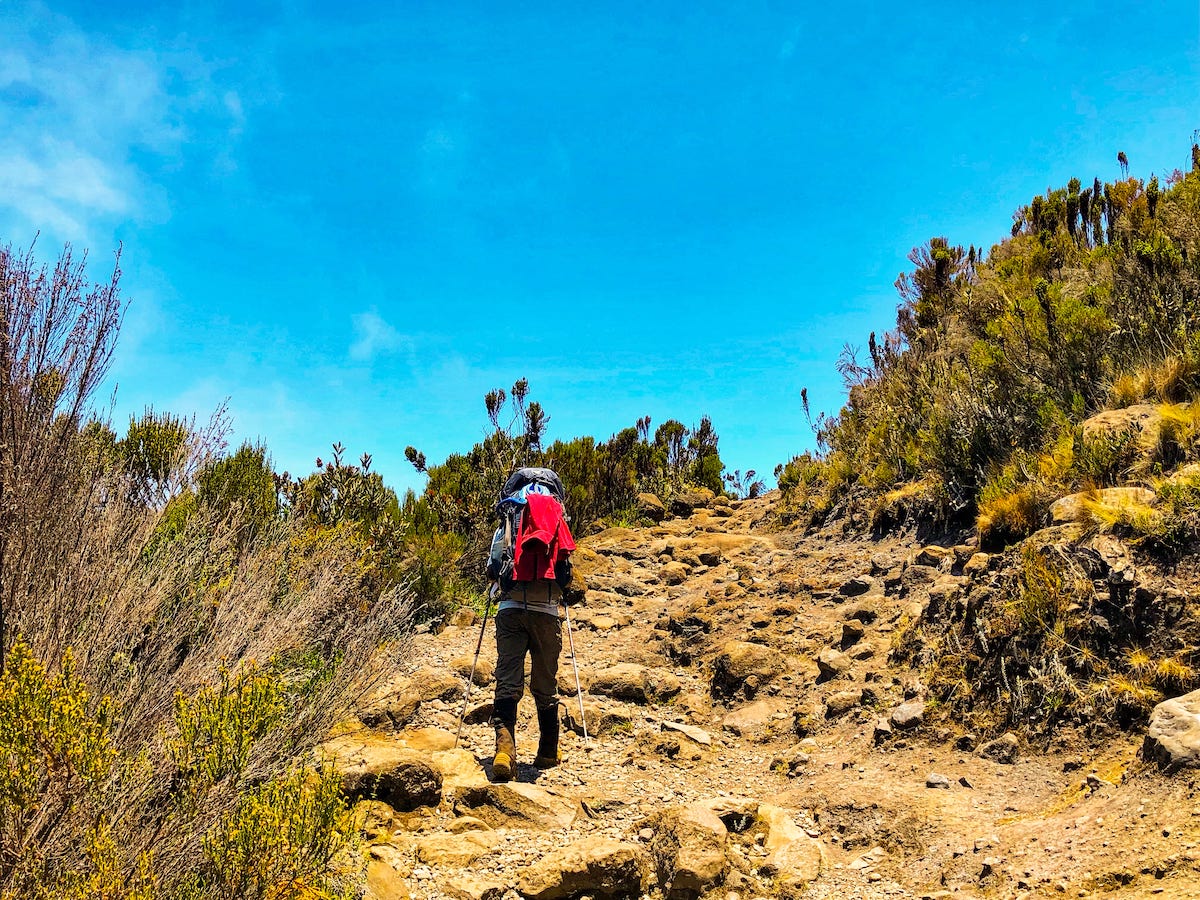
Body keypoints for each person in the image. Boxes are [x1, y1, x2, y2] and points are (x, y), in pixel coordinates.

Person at [485, 479, 576, 782]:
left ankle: (504, 751)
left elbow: (492, 568)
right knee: (544, 683)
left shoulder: (507, 525)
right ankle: (548, 751)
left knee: (507, 679)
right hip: (546, 613)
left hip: (510, 609)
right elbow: (567, 575)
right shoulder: (557, 522)